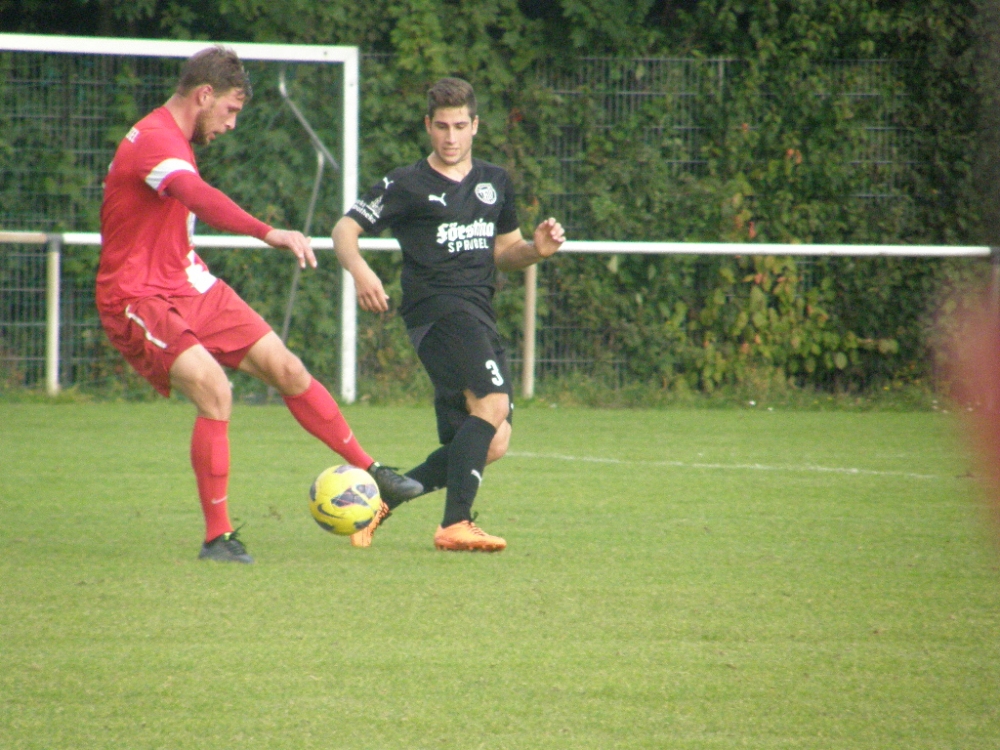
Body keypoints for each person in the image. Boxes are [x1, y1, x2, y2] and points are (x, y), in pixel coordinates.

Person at [96, 45, 422, 564]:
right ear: (204, 95)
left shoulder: (173, 139)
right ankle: (218, 538)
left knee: (287, 368)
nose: (230, 124)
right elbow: (198, 196)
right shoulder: (156, 142)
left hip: (187, 281)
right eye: (230, 110)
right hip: (137, 294)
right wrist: (266, 231)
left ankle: (373, 471)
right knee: (214, 389)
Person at [332, 77, 565, 552]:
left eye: (460, 126)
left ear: (476, 126)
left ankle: (380, 502)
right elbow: (344, 229)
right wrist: (360, 270)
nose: (451, 137)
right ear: (428, 126)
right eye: (442, 126)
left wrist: (535, 251)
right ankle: (455, 523)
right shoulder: (406, 182)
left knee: (492, 441)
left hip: (478, 312)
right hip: (436, 310)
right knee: (494, 405)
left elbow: (503, 251)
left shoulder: (495, 181)